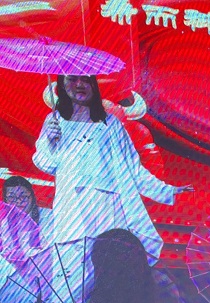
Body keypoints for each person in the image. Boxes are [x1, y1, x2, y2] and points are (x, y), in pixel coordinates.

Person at [32, 75, 193, 264]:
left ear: (94, 85)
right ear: (63, 85)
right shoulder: (55, 121)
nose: (80, 84)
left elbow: (133, 169)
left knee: (108, 260)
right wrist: (49, 141)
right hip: (72, 203)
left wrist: (167, 190)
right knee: (74, 262)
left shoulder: (111, 124)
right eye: (73, 79)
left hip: (108, 204)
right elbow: (46, 163)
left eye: (86, 80)